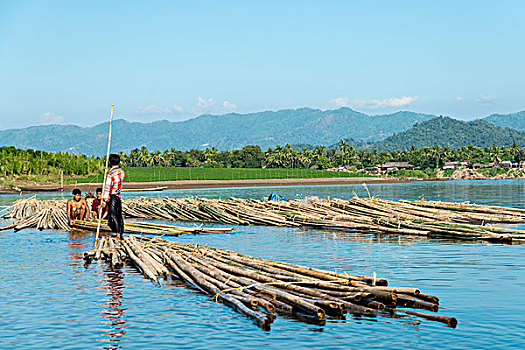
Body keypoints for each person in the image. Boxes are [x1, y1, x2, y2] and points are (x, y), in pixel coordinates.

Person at [101, 154, 125, 240]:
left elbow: (108, 187)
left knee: (113, 216)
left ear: (110, 162)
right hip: (118, 196)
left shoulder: (111, 174)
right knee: (119, 216)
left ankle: (117, 235)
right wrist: (108, 172)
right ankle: (120, 233)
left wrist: (104, 200)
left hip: (113, 197)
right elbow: (116, 180)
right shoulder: (121, 172)